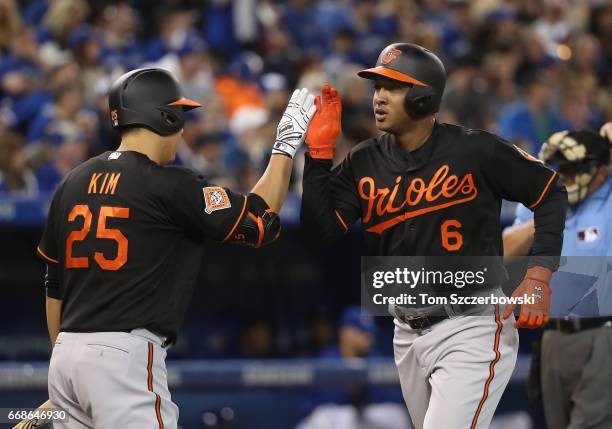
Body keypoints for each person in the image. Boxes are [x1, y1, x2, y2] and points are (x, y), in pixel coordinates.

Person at [27, 67, 315, 429]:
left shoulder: (72, 181)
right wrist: (285, 146)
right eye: (178, 117)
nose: (182, 130)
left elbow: (55, 287)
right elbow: (260, 221)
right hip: (123, 359)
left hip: (67, 354)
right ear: (163, 117)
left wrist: (67, 368)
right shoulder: (169, 184)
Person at [300, 43, 567, 429]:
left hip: (471, 323)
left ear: (424, 97)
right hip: (406, 332)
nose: (378, 97)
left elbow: (550, 191)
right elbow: (320, 233)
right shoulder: (364, 160)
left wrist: (540, 272)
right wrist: (319, 155)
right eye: (377, 88)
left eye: (392, 87)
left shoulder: (475, 149)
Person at [503, 128, 612, 429]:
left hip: (603, 334)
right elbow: (501, 254)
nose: (564, 175)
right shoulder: (543, 199)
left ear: (601, 171)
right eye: (558, 168)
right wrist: (545, 220)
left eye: (574, 169)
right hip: (551, 336)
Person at [297, 306, 412, 429]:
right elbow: (313, 405)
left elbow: (395, 398)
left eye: (370, 331)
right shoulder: (327, 360)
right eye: (361, 331)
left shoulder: (376, 359)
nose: (368, 336)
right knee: (329, 416)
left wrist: (362, 391)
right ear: (345, 333)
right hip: (335, 419)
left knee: (397, 414)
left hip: (367, 419)